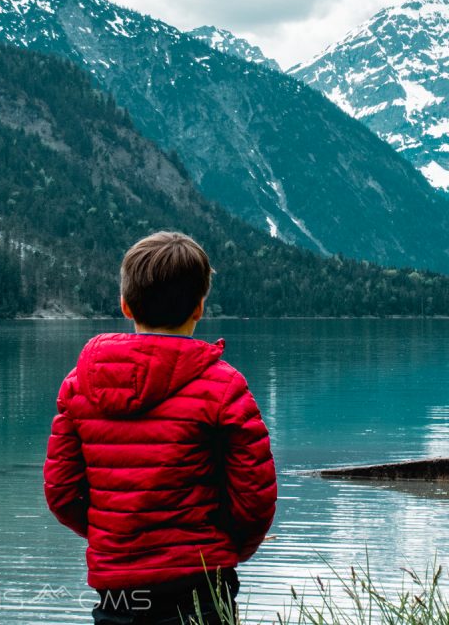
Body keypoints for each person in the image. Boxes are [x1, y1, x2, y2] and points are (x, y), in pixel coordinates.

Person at [44, 231, 277, 624]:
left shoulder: (79, 384)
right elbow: (254, 497)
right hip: (201, 583)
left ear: (125, 306)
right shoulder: (223, 386)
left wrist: (114, 536)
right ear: (200, 308)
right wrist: (229, 546)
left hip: (118, 590)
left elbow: (62, 492)